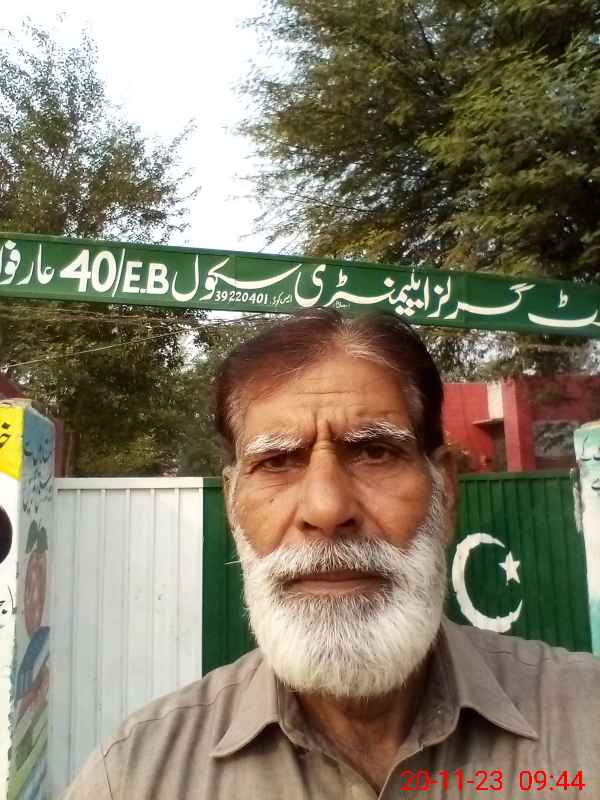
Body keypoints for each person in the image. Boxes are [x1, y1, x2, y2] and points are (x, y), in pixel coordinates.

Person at [63, 309, 600, 799]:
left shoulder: (586, 724)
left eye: (374, 452)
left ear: (446, 492)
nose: (326, 509)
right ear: (232, 507)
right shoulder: (135, 777)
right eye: (277, 462)